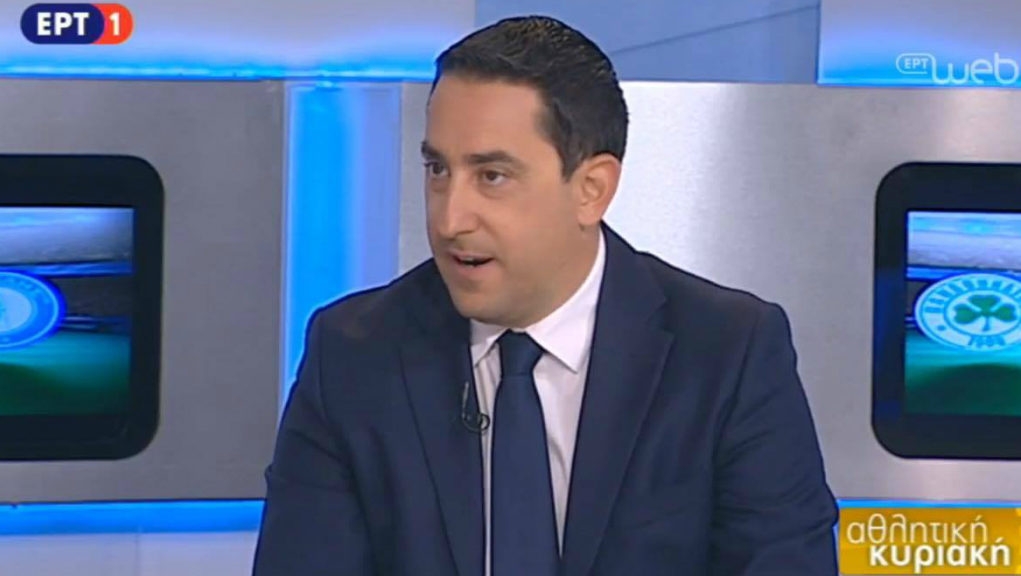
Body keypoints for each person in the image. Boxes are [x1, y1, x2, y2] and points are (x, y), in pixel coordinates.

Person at [252, 15, 838, 576]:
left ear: (591, 189)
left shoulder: (727, 355)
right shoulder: (353, 356)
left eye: (492, 176)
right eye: (438, 170)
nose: (451, 219)